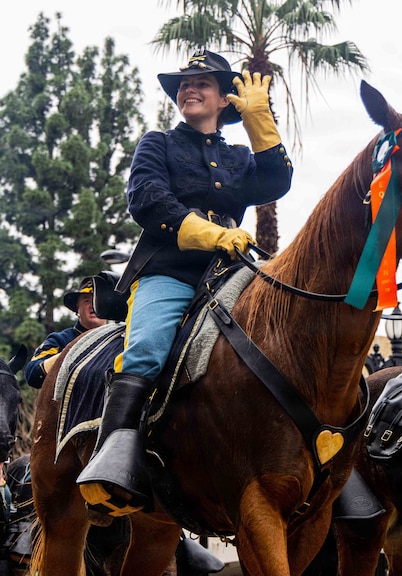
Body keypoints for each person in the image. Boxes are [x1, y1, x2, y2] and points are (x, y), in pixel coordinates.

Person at [75, 49, 293, 516]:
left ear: (224, 99)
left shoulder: (237, 156)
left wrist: (260, 121)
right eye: (182, 86)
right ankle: (112, 464)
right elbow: (148, 202)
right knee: (147, 347)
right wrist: (211, 233)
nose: (188, 90)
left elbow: (275, 183)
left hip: (231, 270)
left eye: (203, 84)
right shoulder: (158, 143)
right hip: (170, 267)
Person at [23, 279, 106, 389]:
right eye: (87, 300)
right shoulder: (60, 340)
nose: (93, 305)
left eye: (98, 300)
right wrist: (68, 356)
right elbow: (32, 374)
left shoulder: (122, 340)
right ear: (77, 308)